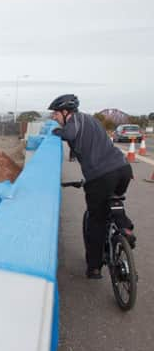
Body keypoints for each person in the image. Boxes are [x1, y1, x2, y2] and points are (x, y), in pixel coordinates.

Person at [49, 94, 135, 279]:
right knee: (114, 201)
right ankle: (125, 229)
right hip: (123, 169)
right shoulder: (91, 120)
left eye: (56, 114)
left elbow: (70, 133)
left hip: (101, 176)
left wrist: (55, 133)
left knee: (96, 220)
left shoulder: (74, 121)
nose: (54, 118)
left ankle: (94, 268)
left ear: (66, 112)